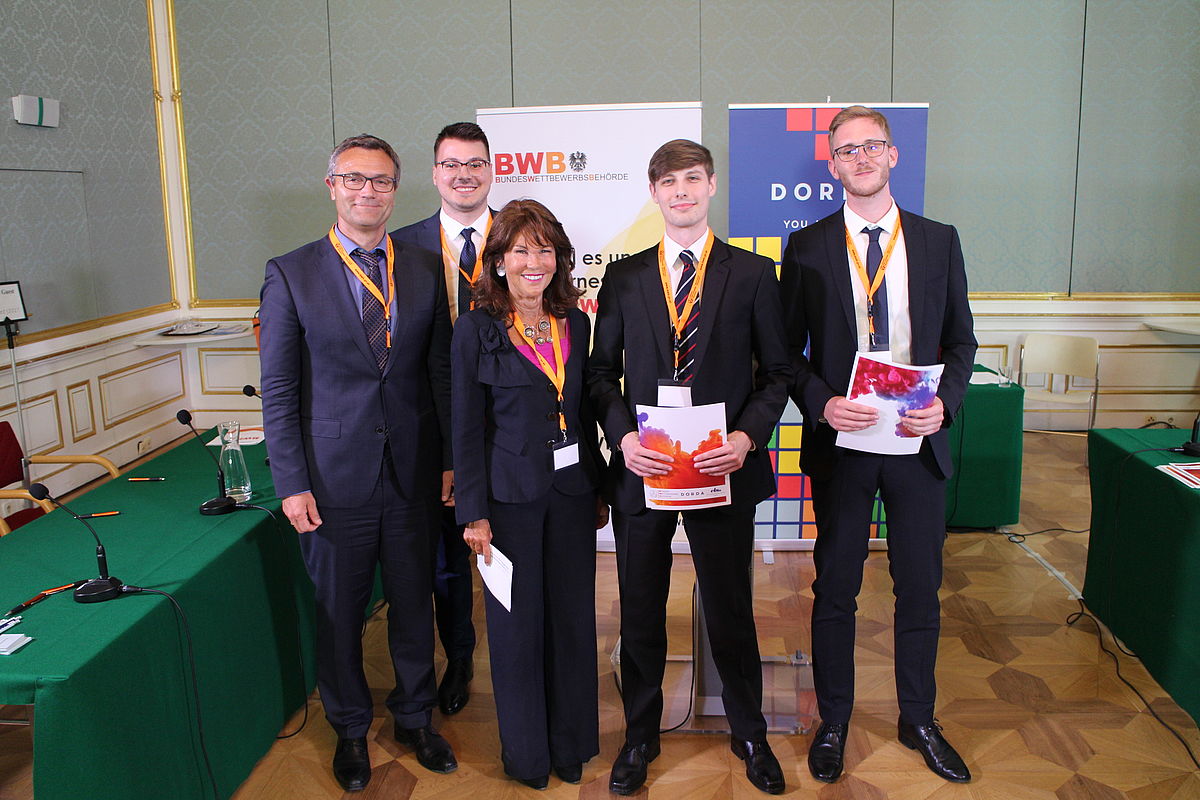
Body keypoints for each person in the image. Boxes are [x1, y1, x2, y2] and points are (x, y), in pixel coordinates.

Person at [778, 105, 977, 784]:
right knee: (836, 587)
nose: (860, 158)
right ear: (832, 164)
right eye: (846, 149)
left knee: (919, 587)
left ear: (893, 155)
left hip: (917, 440)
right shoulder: (806, 247)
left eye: (871, 146)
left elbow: (961, 341)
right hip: (845, 443)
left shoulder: (938, 240)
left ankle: (918, 718)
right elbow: (785, 354)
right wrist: (820, 403)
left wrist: (946, 406)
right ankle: (834, 720)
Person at [587, 139, 791, 796]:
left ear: (711, 186)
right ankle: (640, 735)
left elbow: (779, 373)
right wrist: (622, 439)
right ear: (654, 192)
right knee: (641, 611)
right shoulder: (624, 277)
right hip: (645, 469)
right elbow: (599, 374)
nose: (681, 191)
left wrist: (747, 438)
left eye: (693, 179)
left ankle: (750, 731)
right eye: (669, 181)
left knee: (730, 609)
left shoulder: (753, 274)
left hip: (720, 468)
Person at [259, 133, 457, 792]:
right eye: (354, 179)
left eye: (380, 181)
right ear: (332, 187)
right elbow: (279, 388)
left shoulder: (424, 267)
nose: (367, 191)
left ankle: (414, 717)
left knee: (413, 604)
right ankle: (348, 728)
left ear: (396, 190)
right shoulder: (292, 272)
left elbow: (437, 373)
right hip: (331, 480)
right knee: (339, 612)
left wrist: (449, 459)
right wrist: (291, 483)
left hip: (413, 473)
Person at [452, 199, 606, 790]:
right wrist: (473, 514)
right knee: (516, 629)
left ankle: (571, 744)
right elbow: (466, 426)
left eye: (544, 249)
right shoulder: (475, 328)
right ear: (498, 261)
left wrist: (598, 488)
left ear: (559, 259)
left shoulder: (576, 323)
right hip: (507, 501)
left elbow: (581, 412)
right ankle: (527, 756)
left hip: (571, 493)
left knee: (572, 620)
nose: (533, 261)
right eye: (520, 250)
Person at [393, 121, 496, 715]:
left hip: (510, 424)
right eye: (452, 164)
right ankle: (459, 657)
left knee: (518, 547)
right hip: (431, 425)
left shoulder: (523, 237)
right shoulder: (399, 246)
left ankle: (523, 655)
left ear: (492, 170)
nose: (464, 175)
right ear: (434, 174)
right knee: (446, 559)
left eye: (475, 163)